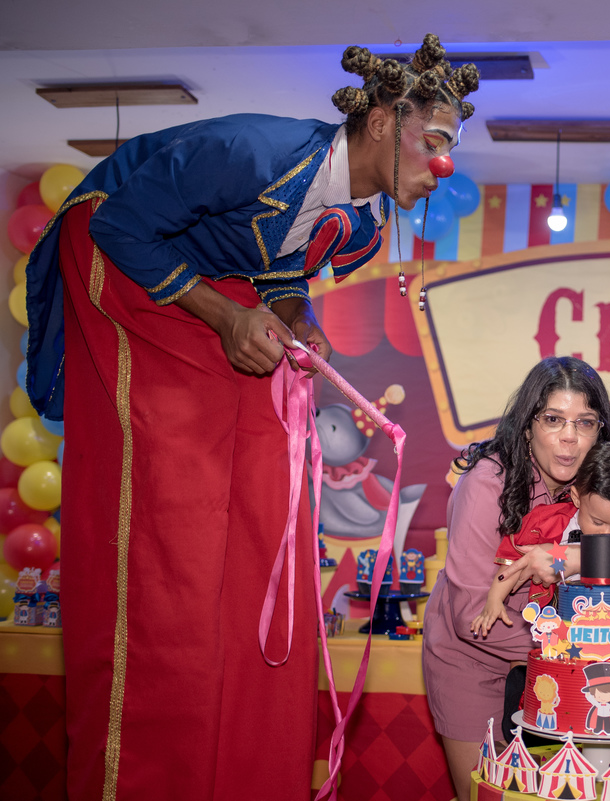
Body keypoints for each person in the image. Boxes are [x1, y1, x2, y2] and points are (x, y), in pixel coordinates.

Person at [22, 37, 478, 801]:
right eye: (433, 141)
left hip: (208, 275)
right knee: (173, 505)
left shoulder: (360, 225)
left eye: (450, 148)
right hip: (120, 249)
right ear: (377, 122)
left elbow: (278, 273)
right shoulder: (254, 151)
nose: (443, 165)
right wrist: (226, 319)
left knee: (251, 497)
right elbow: (121, 229)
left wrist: (295, 320)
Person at [421, 356, 610, 801]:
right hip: (477, 666)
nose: (569, 437)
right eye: (553, 420)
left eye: (584, 422)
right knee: (492, 793)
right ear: (527, 425)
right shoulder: (487, 482)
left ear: (600, 428)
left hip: (581, 672)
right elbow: (470, 615)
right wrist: (578, 645)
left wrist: (579, 557)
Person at [470, 440, 610, 636]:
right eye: (598, 522)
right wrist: (494, 600)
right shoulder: (547, 522)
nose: (607, 533)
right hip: (565, 624)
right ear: (576, 497)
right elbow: (514, 563)